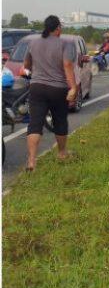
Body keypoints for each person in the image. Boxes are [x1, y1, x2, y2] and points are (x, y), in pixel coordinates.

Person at [22, 15, 78, 171]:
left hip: (37, 88)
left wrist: (36, 73)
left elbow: (27, 64)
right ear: (58, 28)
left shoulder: (33, 43)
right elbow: (67, 65)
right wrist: (73, 87)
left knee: (35, 123)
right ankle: (61, 153)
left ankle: (32, 161)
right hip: (57, 89)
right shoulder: (65, 44)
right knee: (60, 121)